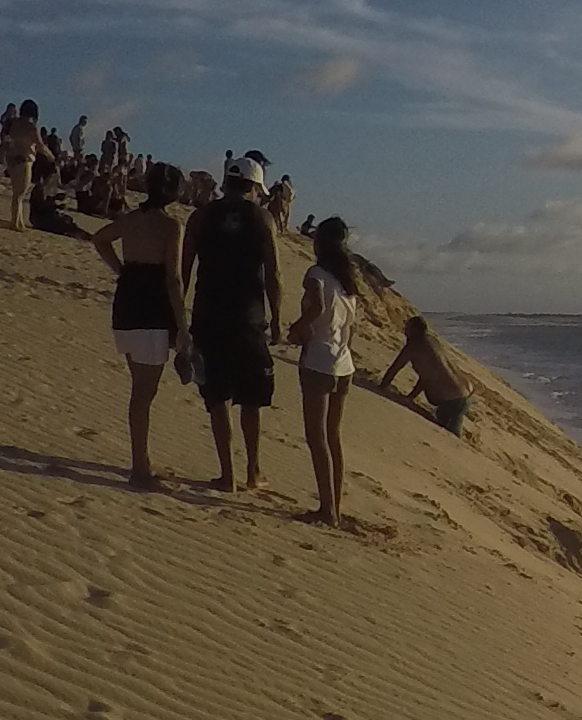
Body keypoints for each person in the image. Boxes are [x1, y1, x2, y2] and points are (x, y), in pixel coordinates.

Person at [179, 159, 284, 495]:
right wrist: (278, 320)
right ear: (254, 187)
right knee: (251, 399)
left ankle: (228, 474)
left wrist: (179, 319)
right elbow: (274, 275)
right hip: (248, 318)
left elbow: (183, 271)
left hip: (208, 316)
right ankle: (252, 471)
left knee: (217, 397)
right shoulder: (263, 218)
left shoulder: (200, 217)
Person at [90, 159, 187, 490]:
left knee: (141, 388)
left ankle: (142, 461)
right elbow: (173, 279)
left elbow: (99, 239)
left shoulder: (131, 220)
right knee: (144, 393)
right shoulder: (170, 226)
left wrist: (122, 270)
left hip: (127, 302)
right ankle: (139, 469)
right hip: (151, 307)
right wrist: (184, 326)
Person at [288, 215, 363, 528]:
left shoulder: (315, 274)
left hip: (319, 360)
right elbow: (351, 327)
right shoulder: (348, 283)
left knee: (316, 437)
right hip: (343, 363)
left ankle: (327, 509)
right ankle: (335, 506)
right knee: (333, 437)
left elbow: (316, 307)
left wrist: (297, 328)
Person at [371, 311, 476, 435]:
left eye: (407, 328)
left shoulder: (414, 346)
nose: (405, 331)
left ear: (415, 330)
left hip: (453, 400)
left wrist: (382, 387)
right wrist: (411, 396)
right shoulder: (433, 341)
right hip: (465, 391)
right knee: (449, 423)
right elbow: (429, 374)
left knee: (450, 435)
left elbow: (395, 368)